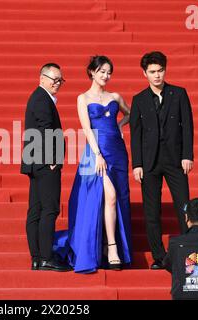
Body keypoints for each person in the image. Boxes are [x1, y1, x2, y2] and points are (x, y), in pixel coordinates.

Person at [53, 55, 132, 273]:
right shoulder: (83, 98)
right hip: (95, 152)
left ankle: (109, 247)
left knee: (114, 199)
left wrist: (120, 126)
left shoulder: (115, 96)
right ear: (92, 72)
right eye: (102, 72)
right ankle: (112, 249)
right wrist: (97, 154)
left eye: (109, 72)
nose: (106, 76)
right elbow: (86, 129)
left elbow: (130, 113)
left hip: (117, 152)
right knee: (110, 195)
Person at [130, 51, 194, 269]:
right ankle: (160, 257)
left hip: (176, 160)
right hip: (149, 163)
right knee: (151, 211)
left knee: (184, 206)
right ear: (144, 74)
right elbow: (135, 134)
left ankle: (188, 252)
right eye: (152, 72)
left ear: (165, 70)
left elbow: (188, 127)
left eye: (160, 71)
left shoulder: (179, 94)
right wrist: (136, 164)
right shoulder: (138, 100)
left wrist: (187, 155)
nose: (157, 75)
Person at [20, 63, 71, 272]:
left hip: (36, 162)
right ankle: (46, 257)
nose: (57, 83)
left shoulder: (39, 97)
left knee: (37, 210)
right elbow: (46, 128)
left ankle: (37, 258)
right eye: (53, 79)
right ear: (42, 78)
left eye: (60, 80)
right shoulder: (42, 98)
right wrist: (53, 158)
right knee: (49, 209)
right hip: (44, 162)